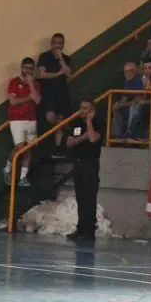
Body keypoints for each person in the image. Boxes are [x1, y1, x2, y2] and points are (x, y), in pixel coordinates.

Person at [65, 100, 103, 243]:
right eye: (81, 107)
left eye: (86, 108)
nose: (82, 110)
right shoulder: (75, 123)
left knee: (89, 198)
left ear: (92, 111)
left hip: (90, 164)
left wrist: (89, 122)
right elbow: (70, 142)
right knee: (80, 198)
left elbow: (92, 138)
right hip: (78, 163)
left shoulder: (97, 123)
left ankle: (89, 231)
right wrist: (82, 138)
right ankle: (80, 228)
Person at [5, 57, 41, 187]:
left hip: (31, 120)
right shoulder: (14, 82)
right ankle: (7, 169)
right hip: (17, 119)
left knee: (28, 149)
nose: (28, 71)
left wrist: (31, 84)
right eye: (26, 68)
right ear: (21, 68)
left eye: (31, 68)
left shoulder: (35, 85)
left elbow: (37, 100)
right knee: (20, 147)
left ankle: (23, 178)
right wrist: (28, 98)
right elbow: (13, 101)